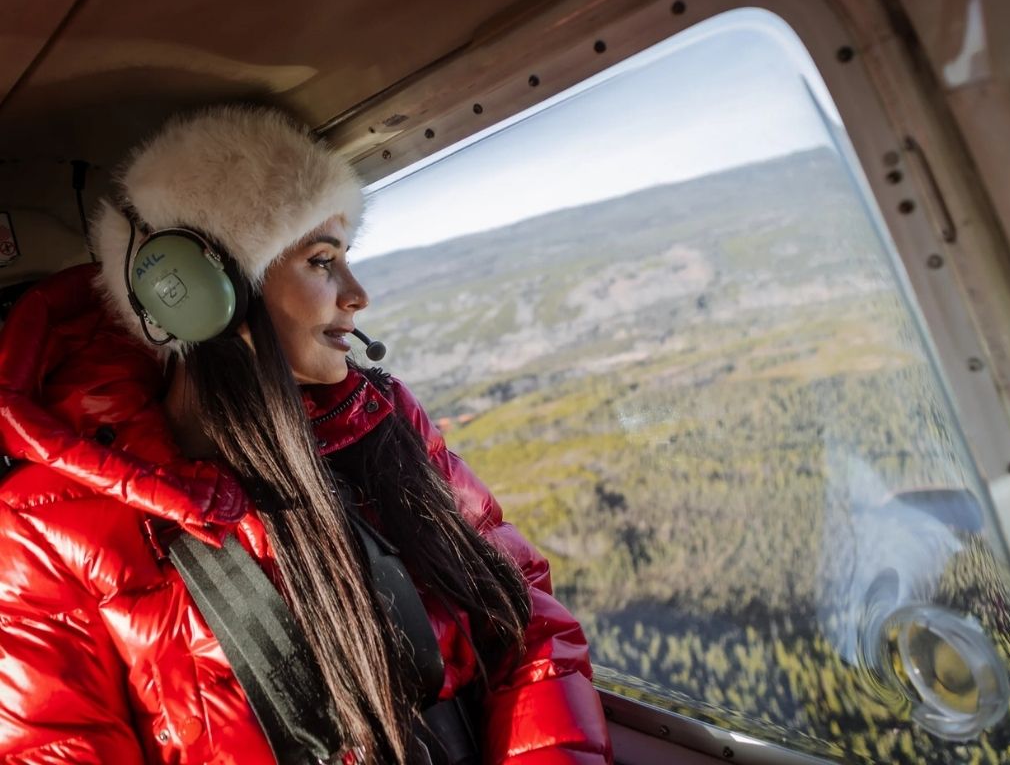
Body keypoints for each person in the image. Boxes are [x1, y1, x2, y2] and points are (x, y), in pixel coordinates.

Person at [0, 106, 612, 764]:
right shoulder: (44, 523)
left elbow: (528, 623)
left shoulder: (383, 423)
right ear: (205, 294)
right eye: (324, 260)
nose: (358, 295)